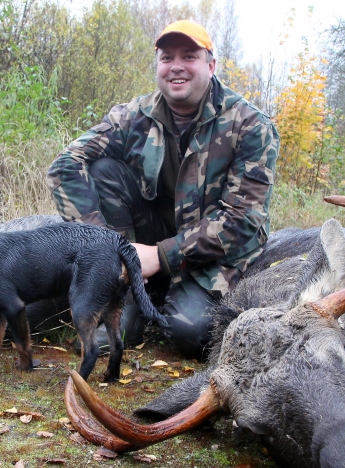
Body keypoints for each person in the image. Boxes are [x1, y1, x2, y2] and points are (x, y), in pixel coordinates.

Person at [47, 20, 280, 359]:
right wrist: (105, 250)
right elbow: (65, 165)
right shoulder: (133, 116)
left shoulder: (251, 125)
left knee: (190, 333)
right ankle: (125, 301)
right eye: (167, 58)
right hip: (150, 235)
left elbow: (243, 220)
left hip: (213, 254)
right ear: (157, 66)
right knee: (103, 170)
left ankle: (163, 293)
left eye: (189, 57)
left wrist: (159, 257)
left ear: (211, 66)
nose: (176, 67)